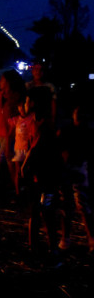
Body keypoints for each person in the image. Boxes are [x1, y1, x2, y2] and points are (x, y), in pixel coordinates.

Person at [20, 86, 63, 258]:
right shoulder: (33, 121)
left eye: (27, 100)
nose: (25, 103)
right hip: (37, 176)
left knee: (47, 211)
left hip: (47, 176)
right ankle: (34, 248)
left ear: (35, 103)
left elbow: (35, 148)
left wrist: (24, 166)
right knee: (35, 211)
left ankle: (53, 248)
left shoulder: (45, 124)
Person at [57, 105, 94, 253]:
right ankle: (69, 239)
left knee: (80, 206)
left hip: (77, 170)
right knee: (72, 206)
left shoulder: (84, 133)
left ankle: (87, 238)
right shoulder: (69, 131)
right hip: (71, 170)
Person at [0, 70, 25, 195]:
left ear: (8, 82)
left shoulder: (15, 97)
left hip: (12, 133)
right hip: (1, 131)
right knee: (8, 159)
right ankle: (16, 184)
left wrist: (10, 137)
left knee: (3, 155)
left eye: (2, 80)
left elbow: (16, 120)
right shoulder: (0, 95)